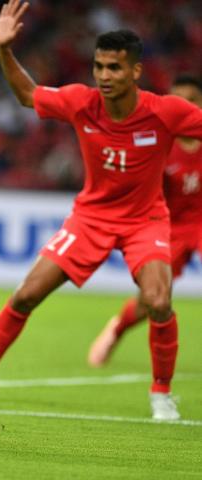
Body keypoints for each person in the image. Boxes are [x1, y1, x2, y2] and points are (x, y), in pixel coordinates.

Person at [0, 0, 202, 420]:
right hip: (90, 218)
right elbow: (26, 95)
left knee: (158, 300)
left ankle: (161, 393)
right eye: (99, 67)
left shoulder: (166, 111)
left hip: (145, 220)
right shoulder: (80, 102)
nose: (105, 76)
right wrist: (4, 49)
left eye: (114, 68)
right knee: (26, 294)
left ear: (135, 72)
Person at [88, 75, 202, 366]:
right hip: (169, 227)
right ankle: (117, 328)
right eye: (178, 101)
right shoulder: (159, 145)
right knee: (151, 301)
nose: (185, 107)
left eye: (192, 100)